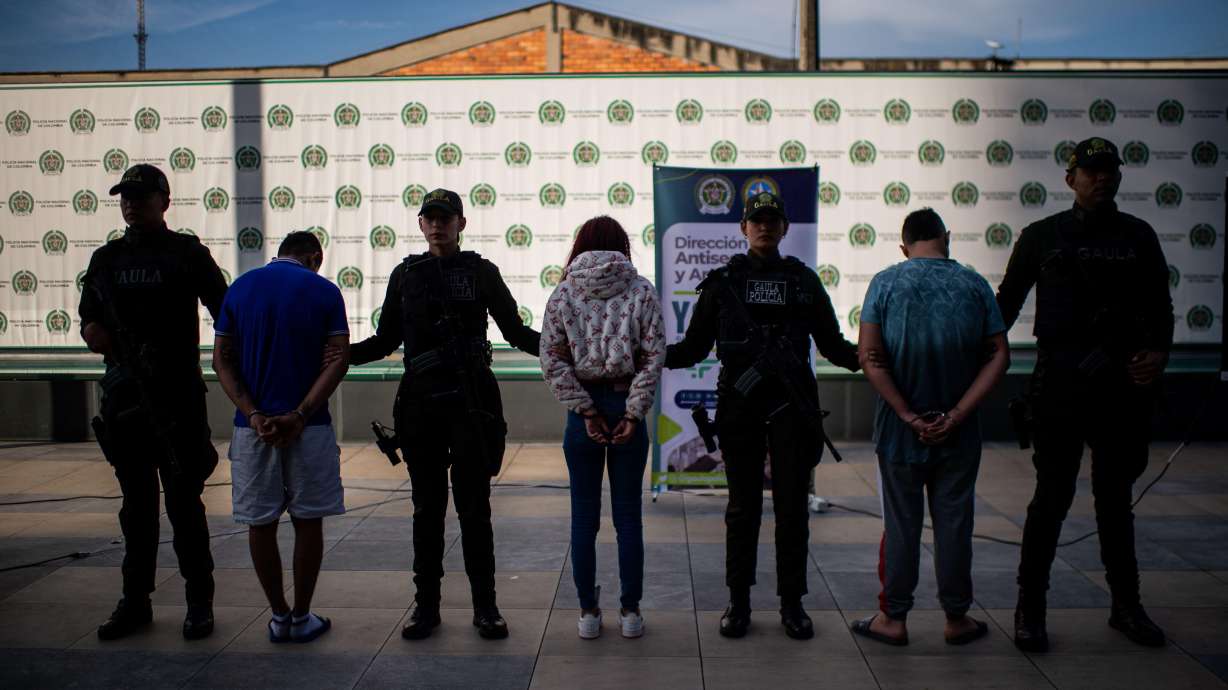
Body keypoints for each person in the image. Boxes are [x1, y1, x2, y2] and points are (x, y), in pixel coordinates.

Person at [997, 137, 1173, 652]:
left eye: (1109, 171)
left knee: (1115, 501)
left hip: (1120, 388)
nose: (1102, 178)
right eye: (1091, 171)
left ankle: (1127, 605)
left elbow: (1160, 307)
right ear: (1069, 178)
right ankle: (1030, 608)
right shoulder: (1041, 237)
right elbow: (1002, 310)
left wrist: (1157, 353)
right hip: (1061, 386)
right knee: (1050, 499)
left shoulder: (1138, 236)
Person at [664, 191, 861, 639]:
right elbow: (692, 349)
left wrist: (874, 358)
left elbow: (833, 346)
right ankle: (739, 601)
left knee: (793, 510)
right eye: (756, 221)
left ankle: (792, 603)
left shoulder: (803, 282)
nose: (764, 227)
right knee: (742, 509)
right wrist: (645, 354)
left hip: (794, 409)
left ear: (785, 228)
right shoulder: (722, 283)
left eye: (773, 220)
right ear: (743, 228)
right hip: (741, 408)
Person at [349, 188, 540, 641]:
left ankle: (486, 606)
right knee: (426, 510)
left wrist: (565, 347)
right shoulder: (405, 275)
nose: (437, 225)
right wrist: (336, 355)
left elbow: (515, 331)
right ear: (420, 225)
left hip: (471, 403)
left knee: (475, 510)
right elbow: (383, 341)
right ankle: (426, 608)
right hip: (421, 405)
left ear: (461, 223)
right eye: (430, 218)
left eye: (446, 217)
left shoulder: (481, 271)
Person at [78, 164, 228, 641]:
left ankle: (199, 602)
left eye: (142, 195)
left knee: (185, 505)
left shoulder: (185, 253)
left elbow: (224, 310)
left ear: (165, 200)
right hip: (125, 399)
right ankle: (135, 601)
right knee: (136, 509)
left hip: (177, 400)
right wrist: (109, 342)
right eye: (126, 196)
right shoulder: (106, 260)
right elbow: (89, 325)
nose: (132, 203)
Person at [850, 208, 1009, 647]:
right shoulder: (974, 284)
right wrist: (956, 415)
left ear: (904, 247)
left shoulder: (886, 282)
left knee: (901, 524)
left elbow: (869, 357)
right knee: (954, 524)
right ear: (947, 238)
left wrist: (906, 414)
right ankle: (956, 619)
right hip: (960, 432)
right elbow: (999, 355)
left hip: (901, 432)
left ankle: (893, 619)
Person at [211, 231, 349, 643]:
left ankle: (278, 615)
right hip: (310, 426)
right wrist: (300, 413)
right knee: (308, 520)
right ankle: (303, 616)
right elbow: (338, 360)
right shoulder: (324, 291)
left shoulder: (240, 289)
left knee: (260, 522)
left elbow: (221, 360)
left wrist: (253, 414)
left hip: (252, 430)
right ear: (314, 257)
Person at [540, 216, 666, 640]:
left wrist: (587, 412)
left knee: (583, 519)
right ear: (622, 246)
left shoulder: (564, 292)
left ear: (580, 245)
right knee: (629, 518)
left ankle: (588, 613)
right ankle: (630, 612)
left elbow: (552, 360)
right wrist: (632, 414)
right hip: (626, 400)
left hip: (584, 412)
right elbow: (653, 358)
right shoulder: (641, 290)